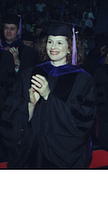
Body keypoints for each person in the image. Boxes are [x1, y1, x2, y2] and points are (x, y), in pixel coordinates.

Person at [0, 22, 96, 168]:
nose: (53, 47)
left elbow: (80, 123)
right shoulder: (30, 74)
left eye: (59, 43)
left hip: (59, 155)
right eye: (50, 42)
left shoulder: (83, 80)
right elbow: (10, 117)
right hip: (30, 151)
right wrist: (30, 106)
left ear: (70, 47)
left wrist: (48, 97)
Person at [1, 15, 38, 79]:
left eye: (12, 29)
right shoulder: (1, 49)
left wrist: (17, 63)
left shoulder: (28, 52)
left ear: (18, 31)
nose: (8, 31)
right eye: (6, 28)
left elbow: (27, 76)